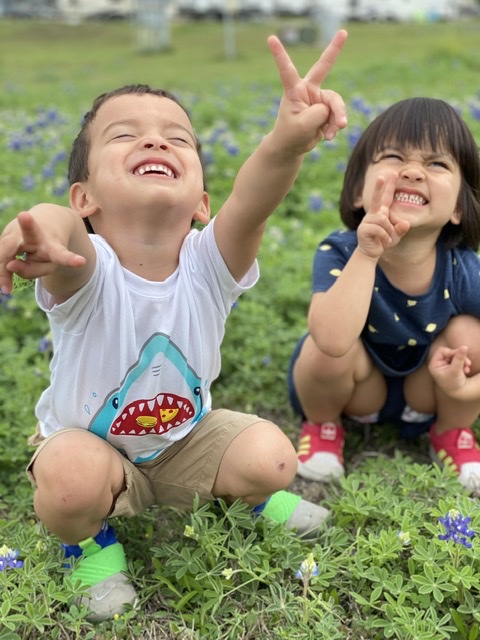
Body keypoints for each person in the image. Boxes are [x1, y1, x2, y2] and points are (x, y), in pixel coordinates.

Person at [0, 32, 348, 622]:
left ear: (202, 204)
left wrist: (287, 144)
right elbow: (62, 228)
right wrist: (39, 228)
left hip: (185, 438)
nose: (155, 138)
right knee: (69, 482)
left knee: (274, 460)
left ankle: (246, 496)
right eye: (124, 134)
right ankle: (87, 543)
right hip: (95, 447)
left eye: (177, 137)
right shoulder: (85, 268)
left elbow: (254, 198)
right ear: (85, 197)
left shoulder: (211, 264)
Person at [288, 97, 480, 490]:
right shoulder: (340, 250)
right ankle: (323, 426)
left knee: (471, 336)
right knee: (321, 346)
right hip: (359, 389)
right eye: (394, 157)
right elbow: (330, 339)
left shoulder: (462, 266)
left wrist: (464, 389)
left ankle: (451, 431)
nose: (412, 171)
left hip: (430, 389)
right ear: (359, 191)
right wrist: (367, 252)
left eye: (437, 163)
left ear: (459, 207)